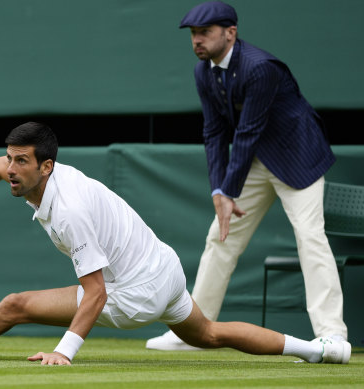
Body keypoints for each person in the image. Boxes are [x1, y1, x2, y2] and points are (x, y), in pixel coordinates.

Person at [0, 122, 350, 365]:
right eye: (10, 158)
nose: (10, 169)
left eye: (21, 162)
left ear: (46, 167)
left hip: (135, 290)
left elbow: (95, 294)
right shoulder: (28, 172)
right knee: (212, 334)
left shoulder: (70, 211)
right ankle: (322, 351)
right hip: (164, 269)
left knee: (15, 305)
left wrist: (65, 350)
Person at [146, 1, 348, 351]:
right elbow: (213, 134)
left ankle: (333, 334)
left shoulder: (260, 68)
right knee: (220, 237)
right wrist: (218, 192)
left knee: (310, 237)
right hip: (257, 160)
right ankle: (194, 330)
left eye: (205, 32)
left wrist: (228, 190)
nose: (197, 40)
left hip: (299, 157)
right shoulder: (203, 72)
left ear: (231, 33)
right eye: (194, 34)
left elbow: (247, 132)